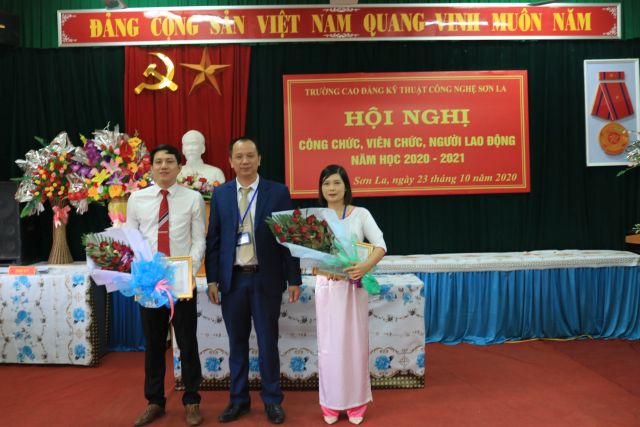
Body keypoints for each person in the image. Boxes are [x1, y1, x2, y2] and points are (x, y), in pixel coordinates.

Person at [205, 137, 301, 424]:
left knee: (268, 343)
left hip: (265, 279)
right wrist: (212, 280)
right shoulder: (221, 194)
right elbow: (214, 240)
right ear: (231, 161)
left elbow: (289, 238)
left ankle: (272, 400)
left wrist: (294, 279)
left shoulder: (278, 192)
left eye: (250, 156)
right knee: (236, 345)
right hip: (233, 281)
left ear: (259, 159)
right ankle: (238, 400)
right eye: (239, 156)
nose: (245, 161)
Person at [127, 144, 206, 427]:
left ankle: (192, 400)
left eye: (169, 161)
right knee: (153, 343)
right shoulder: (136, 198)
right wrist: (144, 271)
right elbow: (132, 240)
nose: (164, 166)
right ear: (151, 167)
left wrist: (188, 270)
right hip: (150, 283)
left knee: (187, 342)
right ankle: (155, 401)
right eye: (158, 162)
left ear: (179, 167)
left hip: (181, 281)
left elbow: (199, 239)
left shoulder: (193, 198)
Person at [315, 164, 386, 426]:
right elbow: (311, 254)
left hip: (354, 288)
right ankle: (330, 403)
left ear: (346, 186)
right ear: (321, 189)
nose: (331, 188)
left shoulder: (361, 214)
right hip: (327, 288)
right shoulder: (316, 217)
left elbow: (381, 245)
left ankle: (357, 403)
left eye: (336, 182)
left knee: (354, 344)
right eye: (326, 184)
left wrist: (365, 266)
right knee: (329, 347)